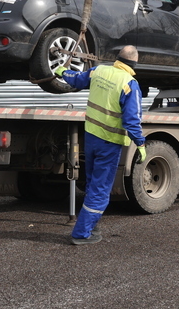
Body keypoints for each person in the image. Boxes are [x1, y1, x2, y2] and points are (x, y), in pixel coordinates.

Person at [54, 45, 146, 245]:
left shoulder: (99, 70)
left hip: (91, 138)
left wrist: (63, 72)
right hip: (109, 143)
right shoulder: (129, 83)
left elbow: (76, 80)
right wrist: (140, 143)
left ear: (117, 58)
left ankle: (91, 224)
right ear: (134, 63)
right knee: (101, 190)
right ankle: (81, 233)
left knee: (92, 185)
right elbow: (132, 120)